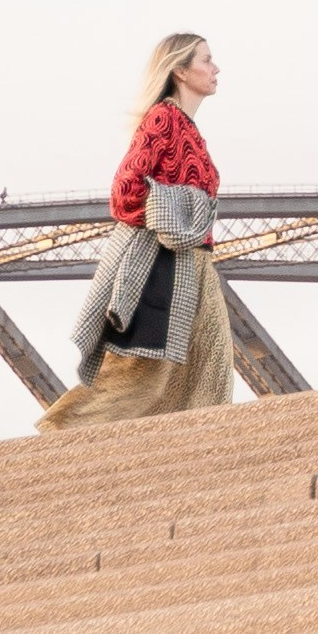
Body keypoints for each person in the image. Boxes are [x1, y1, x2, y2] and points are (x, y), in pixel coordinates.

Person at [40, 32, 233, 427]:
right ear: (180, 70)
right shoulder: (162, 119)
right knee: (139, 376)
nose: (216, 69)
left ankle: (190, 456)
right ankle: (62, 434)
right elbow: (124, 191)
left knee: (208, 370)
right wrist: (170, 217)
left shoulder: (190, 129)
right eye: (207, 60)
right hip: (164, 264)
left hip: (198, 264)